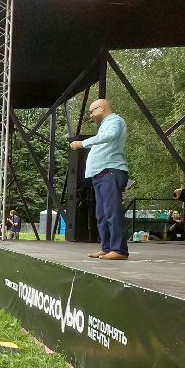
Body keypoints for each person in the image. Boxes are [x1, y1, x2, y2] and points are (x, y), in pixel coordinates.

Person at [69, 98, 129, 260]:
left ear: (101, 108)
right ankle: (107, 247)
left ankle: (119, 250)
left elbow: (111, 135)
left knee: (112, 212)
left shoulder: (114, 121)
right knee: (102, 214)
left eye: (92, 111)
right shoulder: (105, 125)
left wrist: (82, 143)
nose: (91, 115)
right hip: (101, 174)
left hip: (110, 171)